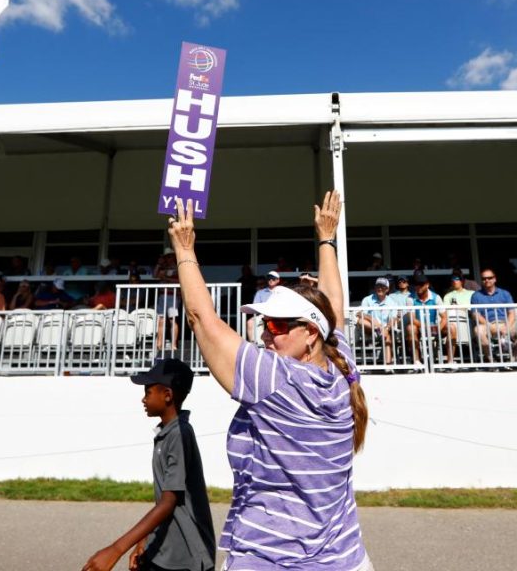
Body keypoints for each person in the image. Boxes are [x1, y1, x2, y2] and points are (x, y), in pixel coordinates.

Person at [166, 192, 372, 570]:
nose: (265, 334)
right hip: (345, 558)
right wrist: (327, 238)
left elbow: (201, 320)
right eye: (264, 324)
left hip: (270, 558)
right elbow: (335, 310)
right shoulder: (343, 369)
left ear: (309, 333)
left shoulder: (277, 379)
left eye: (277, 325)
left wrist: (184, 249)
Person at [82, 360, 214, 571]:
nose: (143, 399)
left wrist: (116, 549)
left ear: (167, 395)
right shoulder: (166, 433)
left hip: (186, 558)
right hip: (165, 551)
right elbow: (164, 503)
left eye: (148, 392)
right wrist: (144, 543)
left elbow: (168, 502)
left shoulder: (179, 434)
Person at [471, 268, 517, 362]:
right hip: (487, 325)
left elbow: (511, 312)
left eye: (489, 278)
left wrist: (507, 327)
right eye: (484, 278)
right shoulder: (476, 295)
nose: (487, 280)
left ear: (495, 279)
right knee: (478, 330)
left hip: (505, 323)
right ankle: (492, 360)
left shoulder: (505, 294)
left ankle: (514, 359)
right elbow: (475, 315)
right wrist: (490, 326)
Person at [406, 273, 447, 365]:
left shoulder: (436, 297)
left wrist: (438, 329)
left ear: (427, 284)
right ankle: (416, 361)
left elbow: (444, 317)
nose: (418, 286)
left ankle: (451, 362)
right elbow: (412, 319)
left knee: (451, 327)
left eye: (421, 284)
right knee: (410, 328)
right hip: (419, 328)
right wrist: (426, 326)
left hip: (434, 327)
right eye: (416, 284)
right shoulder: (410, 298)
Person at [358, 277, 396, 365]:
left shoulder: (392, 302)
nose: (379, 288)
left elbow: (393, 318)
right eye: (378, 286)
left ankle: (388, 365)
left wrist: (387, 328)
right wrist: (373, 320)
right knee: (361, 321)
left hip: (384, 330)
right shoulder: (367, 299)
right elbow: (360, 314)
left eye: (382, 286)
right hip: (370, 330)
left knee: (388, 335)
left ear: (387, 289)